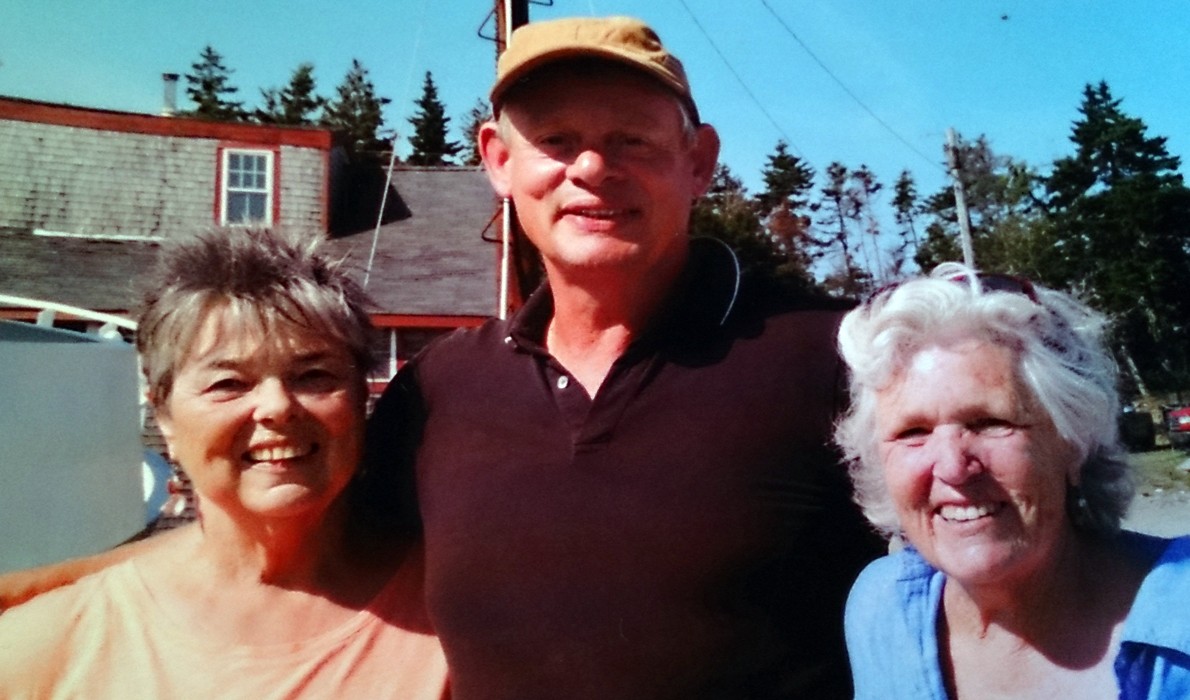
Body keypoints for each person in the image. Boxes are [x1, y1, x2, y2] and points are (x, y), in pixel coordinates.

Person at [363, 16, 882, 699]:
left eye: (631, 140)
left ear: (698, 163)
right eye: (556, 141)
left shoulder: (837, 357)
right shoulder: (438, 394)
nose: (591, 169)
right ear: (497, 160)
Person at [0, 229, 448, 699]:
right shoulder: (46, 648)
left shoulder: (456, 617)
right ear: (164, 417)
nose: (277, 406)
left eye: (314, 375)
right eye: (229, 383)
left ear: (360, 399)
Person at [834, 263, 1190, 699]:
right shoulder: (881, 609)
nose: (951, 466)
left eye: (989, 422)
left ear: (1074, 443)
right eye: (913, 432)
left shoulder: (1179, 622)